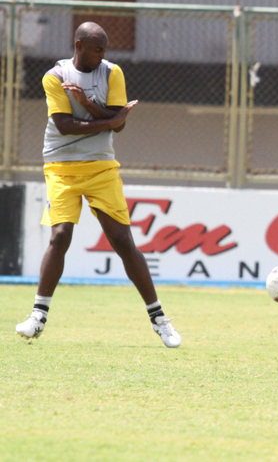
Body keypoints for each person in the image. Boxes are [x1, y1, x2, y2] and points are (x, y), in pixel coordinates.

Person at [15, 22, 182, 348]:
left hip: (101, 167)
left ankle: (160, 320)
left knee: (122, 240)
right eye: (97, 49)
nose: (103, 55)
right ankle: (37, 317)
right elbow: (64, 126)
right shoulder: (55, 76)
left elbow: (116, 126)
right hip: (61, 167)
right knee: (60, 235)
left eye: (105, 49)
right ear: (79, 45)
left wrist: (93, 109)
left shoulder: (112, 73)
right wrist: (108, 120)